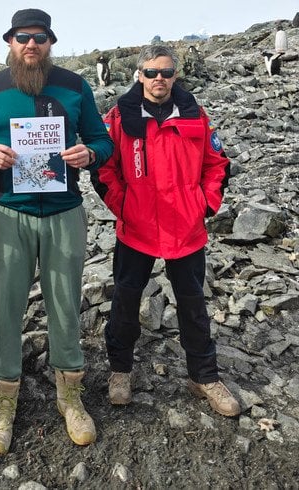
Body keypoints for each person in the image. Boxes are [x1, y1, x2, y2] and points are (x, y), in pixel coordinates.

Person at [0, 8, 113, 455]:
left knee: (65, 303)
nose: (31, 44)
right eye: (22, 37)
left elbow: (103, 140)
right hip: (7, 211)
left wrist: (89, 154)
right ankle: (3, 400)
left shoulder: (75, 86)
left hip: (64, 211)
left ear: (50, 43)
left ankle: (70, 395)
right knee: (6, 306)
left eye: (39, 37)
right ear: (9, 41)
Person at [91, 44, 241, 417]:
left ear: (175, 75)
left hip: (185, 229)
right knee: (125, 301)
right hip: (136, 228)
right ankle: (120, 370)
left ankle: (204, 376)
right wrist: (125, 207)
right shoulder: (119, 118)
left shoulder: (195, 115)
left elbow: (217, 164)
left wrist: (203, 205)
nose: (159, 78)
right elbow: (104, 169)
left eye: (166, 72)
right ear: (139, 74)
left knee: (193, 304)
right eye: (152, 72)